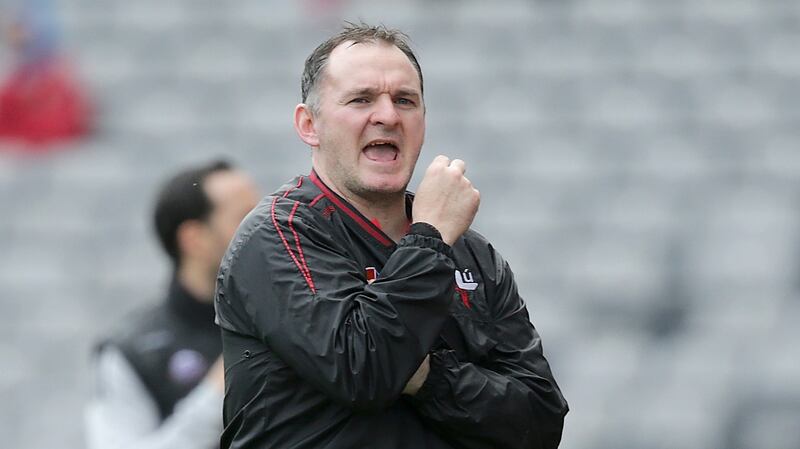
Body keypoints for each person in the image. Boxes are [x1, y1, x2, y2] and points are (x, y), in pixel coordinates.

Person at [215, 23, 569, 449]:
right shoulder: (277, 234)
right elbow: (364, 371)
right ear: (309, 125)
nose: (387, 115)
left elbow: (541, 422)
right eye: (361, 99)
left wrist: (426, 376)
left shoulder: (473, 253)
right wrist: (431, 237)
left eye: (405, 100)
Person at [85, 160, 260, 449]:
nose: (265, 230)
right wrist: (221, 388)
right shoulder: (131, 351)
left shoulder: (287, 318)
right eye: (245, 219)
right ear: (194, 239)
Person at [0, 0, 92, 149]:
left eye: (19, 26)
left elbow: (60, 128)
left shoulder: (60, 79)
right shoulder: (15, 77)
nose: (12, 34)